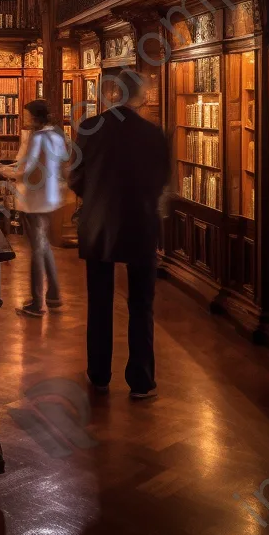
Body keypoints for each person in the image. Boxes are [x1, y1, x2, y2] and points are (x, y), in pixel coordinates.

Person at [69, 70, 170, 400]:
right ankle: (141, 381)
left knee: (99, 302)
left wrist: (96, 195)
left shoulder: (88, 129)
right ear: (141, 97)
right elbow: (160, 183)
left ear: (111, 94)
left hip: (98, 224)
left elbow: (75, 179)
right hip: (140, 225)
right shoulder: (154, 134)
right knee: (142, 304)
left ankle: (98, 375)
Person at [10, 100, 69, 318]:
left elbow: (30, 171)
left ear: (35, 117)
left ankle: (37, 303)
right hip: (51, 197)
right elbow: (64, 164)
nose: (24, 119)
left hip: (34, 200)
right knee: (43, 245)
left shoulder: (37, 138)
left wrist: (10, 173)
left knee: (36, 249)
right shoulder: (58, 134)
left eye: (26, 116)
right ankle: (53, 294)